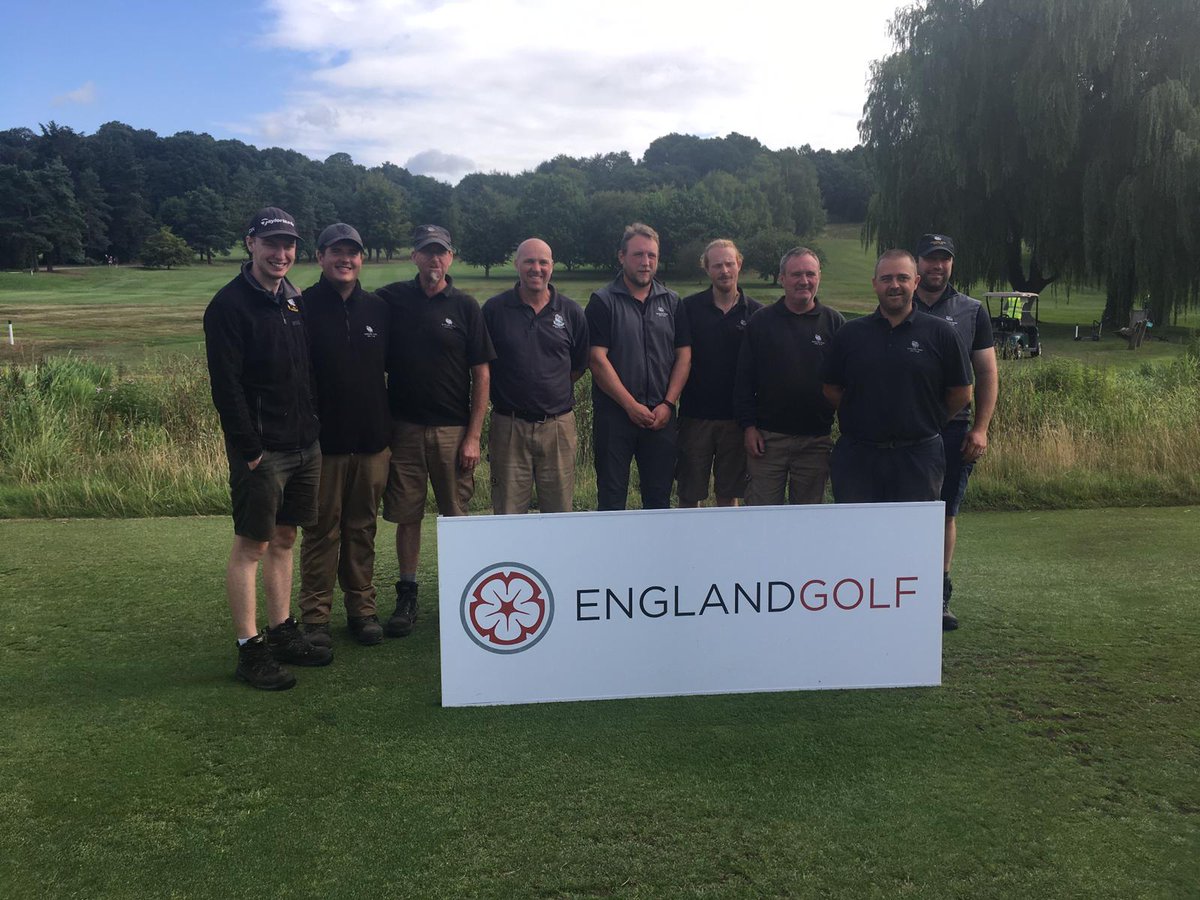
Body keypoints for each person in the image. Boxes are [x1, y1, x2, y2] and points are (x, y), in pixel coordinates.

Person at [203, 206, 331, 690]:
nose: (281, 253)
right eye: (271, 243)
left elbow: (305, 373)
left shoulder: (293, 300)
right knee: (251, 545)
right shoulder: (229, 306)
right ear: (250, 244)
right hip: (263, 451)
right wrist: (250, 449)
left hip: (303, 443)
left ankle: (281, 633)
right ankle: (249, 649)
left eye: (289, 245)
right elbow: (227, 388)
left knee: (285, 539)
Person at [377, 225, 494, 636]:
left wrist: (474, 435)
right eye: (427, 252)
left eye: (441, 253)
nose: (434, 260)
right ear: (415, 257)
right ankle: (407, 595)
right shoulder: (391, 300)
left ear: (451, 257)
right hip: (404, 430)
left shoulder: (465, 307)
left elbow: (481, 374)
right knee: (407, 516)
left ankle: (463, 594)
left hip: (453, 431)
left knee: (455, 516)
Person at [297, 223, 391, 648]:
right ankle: (315, 618)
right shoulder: (301, 308)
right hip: (322, 445)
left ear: (361, 259)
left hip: (372, 443)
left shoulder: (377, 309)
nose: (345, 259)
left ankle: (362, 609)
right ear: (320, 258)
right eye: (336, 251)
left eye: (352, 253)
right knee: (321, 531)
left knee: (362, 528)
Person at [822, 249, 972, 506]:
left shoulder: (941, 333)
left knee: (912, 542)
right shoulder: (850, 334)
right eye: (886, 278)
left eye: (902, 278)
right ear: (874, 284)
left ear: (915, 282)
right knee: (857, 539)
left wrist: (928, 420)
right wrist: (861, 414)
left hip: (919, 457)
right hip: (858, 457)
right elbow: (830, 388)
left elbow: (961, 392)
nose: (894, 285)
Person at [914, 233, 998, 630]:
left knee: (944, 512)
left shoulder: (972, 310)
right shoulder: (898, 300)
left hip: (953, 430)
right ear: (917, 263)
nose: (937, 266)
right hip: (905, 430)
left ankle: (937, 597)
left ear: (952, 264)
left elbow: (986, 373)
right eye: (931, 259)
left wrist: (980, 428)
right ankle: (898, 592)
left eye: (944, 259)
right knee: (902, 512)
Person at [585, 223, 691, 510]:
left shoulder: (671, 302)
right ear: (622, 257)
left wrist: (669, 403)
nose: (646, 263)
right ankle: (612, 555)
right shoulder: (602, 301)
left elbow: (683, 355)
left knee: (658, 499)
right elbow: (597, 359)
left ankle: (654, 555)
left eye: (652, 256)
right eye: (638, 255)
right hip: (615, 416)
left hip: (661, 415)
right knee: (612, 496)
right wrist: (630, 405)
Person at [482, 238, 588, 514]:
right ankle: (512, 560)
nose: (536, 268)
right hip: (509, 426)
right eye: (529, 261)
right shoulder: (494, 310)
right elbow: (483, 368)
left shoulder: (571, 312)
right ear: (517, 264)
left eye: (543, 262)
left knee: (558, 513)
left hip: (557, 426)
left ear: (552, 266)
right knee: (508, 513)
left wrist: (547, 388)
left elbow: (577, 366)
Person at [733, 247, 844, 506]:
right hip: (767, 440)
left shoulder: (834, 323)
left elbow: (847, 383)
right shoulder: (761, 322)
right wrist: (748, 427)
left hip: (816, 441)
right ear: (782, 278)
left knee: (806, 522)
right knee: (761, 518)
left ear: (819, 277)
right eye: (796, 274)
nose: (803, 281)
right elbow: (744, 380)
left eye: (810, 274)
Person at [676, 239, 763, 508]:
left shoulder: (757, 313)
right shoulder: (688, 309)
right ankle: (690, 546)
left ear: (739, 264)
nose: (724, 270)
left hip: (736, 420)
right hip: (695, 417)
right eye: (717, 265)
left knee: (728, 493)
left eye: (729, 263)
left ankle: (725, 547)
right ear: (707, 270)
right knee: (690, 493)